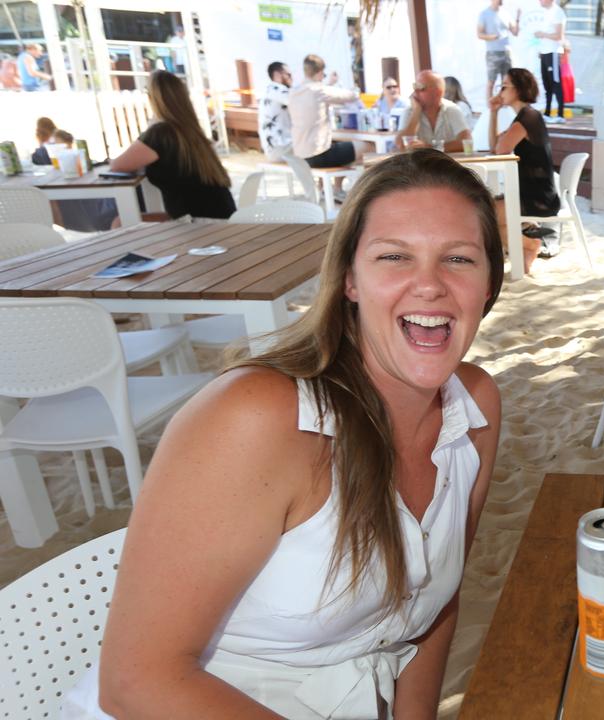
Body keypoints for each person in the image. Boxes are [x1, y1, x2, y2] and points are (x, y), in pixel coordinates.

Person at [60, 150, 504, 720]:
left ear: (489, 283)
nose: (430, 286)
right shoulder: (258, 417)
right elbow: (136, 683)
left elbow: (436, 606)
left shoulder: (475, 407)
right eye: (394, 256)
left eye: (459, 259)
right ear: (349, 279)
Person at [109, 70, 235, 220]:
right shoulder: (190, 131)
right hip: (220, 216)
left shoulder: (161, 133)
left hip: (198, 223)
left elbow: (118, 165)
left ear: (153, 99)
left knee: (121, 221)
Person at [489, 68, 561, 259]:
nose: (500, 92)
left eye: (504, 86)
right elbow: (494, 145)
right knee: (488, 212)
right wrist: (493, 113)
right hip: (529, 193)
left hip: (537, 198)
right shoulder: (524, 117)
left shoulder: (528, 117)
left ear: (518, 89)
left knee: (485, 214)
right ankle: (528, 245)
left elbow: (500, 150)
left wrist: (496, 116)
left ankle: (530, 242)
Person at [289, 53, 362, 195]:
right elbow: (350, 96)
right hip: (318, 155)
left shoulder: (294, 92)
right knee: (368, 147)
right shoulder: (319, 90)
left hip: (301, 155)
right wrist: (356, 90)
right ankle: (370, 191)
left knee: (344, 148)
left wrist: (330, 84)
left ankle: (334, 188)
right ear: (320, 72)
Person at [399, 70, 473, 152]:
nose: (415, 91)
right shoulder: (409, 111)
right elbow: (401, 145)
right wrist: (416, 113)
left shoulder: (452, 109)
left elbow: (466, 142)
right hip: (418, 164)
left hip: (446, 163)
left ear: (438, 92)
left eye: (420, 87)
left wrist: (430, 148)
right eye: (415, 86)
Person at [522, 0, 566, 120]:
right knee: (547, 85)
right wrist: (540, 49)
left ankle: (560, 114)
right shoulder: (546, 13)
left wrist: (543, 34)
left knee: (556, 83)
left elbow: (559, 35)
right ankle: (547, 112)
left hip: (553, 52)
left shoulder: (557, 12)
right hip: (544, 53)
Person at [476, 0, 517, 99]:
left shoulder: (505, 13)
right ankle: (490, 106)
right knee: (491, 81)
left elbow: (515, 32)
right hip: (493, 53)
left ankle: (506, 103)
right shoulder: (484, 14)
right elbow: (479, 34)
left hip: (506, 52)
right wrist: (491, 37)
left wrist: (518, 19)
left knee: (507, 81)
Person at [257, 61, 293, 161]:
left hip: (275, 149)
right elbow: (302, 103)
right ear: (277, 74)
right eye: (288, 74)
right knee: (318, 149)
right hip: (281, 147)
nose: (291, 78)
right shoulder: (277, 89)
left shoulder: (269, 90)